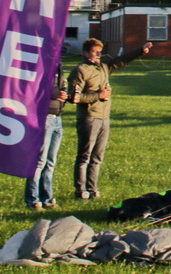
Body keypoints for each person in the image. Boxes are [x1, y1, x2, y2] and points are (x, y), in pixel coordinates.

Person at [68, 38, 151, 201]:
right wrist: (98, 96)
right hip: (89, 118)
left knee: (97, 157)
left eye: (100, 52)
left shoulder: (103, 68)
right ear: (86, 53)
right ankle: (80, 191)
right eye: (95, 52)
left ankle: (92, 189)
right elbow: (73, 97)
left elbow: (121, 60)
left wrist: (141, 50)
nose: (99, 55)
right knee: (84, 156)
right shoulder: (80, 71)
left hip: (104, 117)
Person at [24, 66, 68, 210]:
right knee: (39, 161)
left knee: (50, 161)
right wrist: (56, 93)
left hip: (57, 116)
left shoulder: (59, 66)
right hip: (44, 116)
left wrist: (66, 94)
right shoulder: (42, 64)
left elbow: (61, 87)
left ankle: (47, 198)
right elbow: (36, 87)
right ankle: (33, 199)